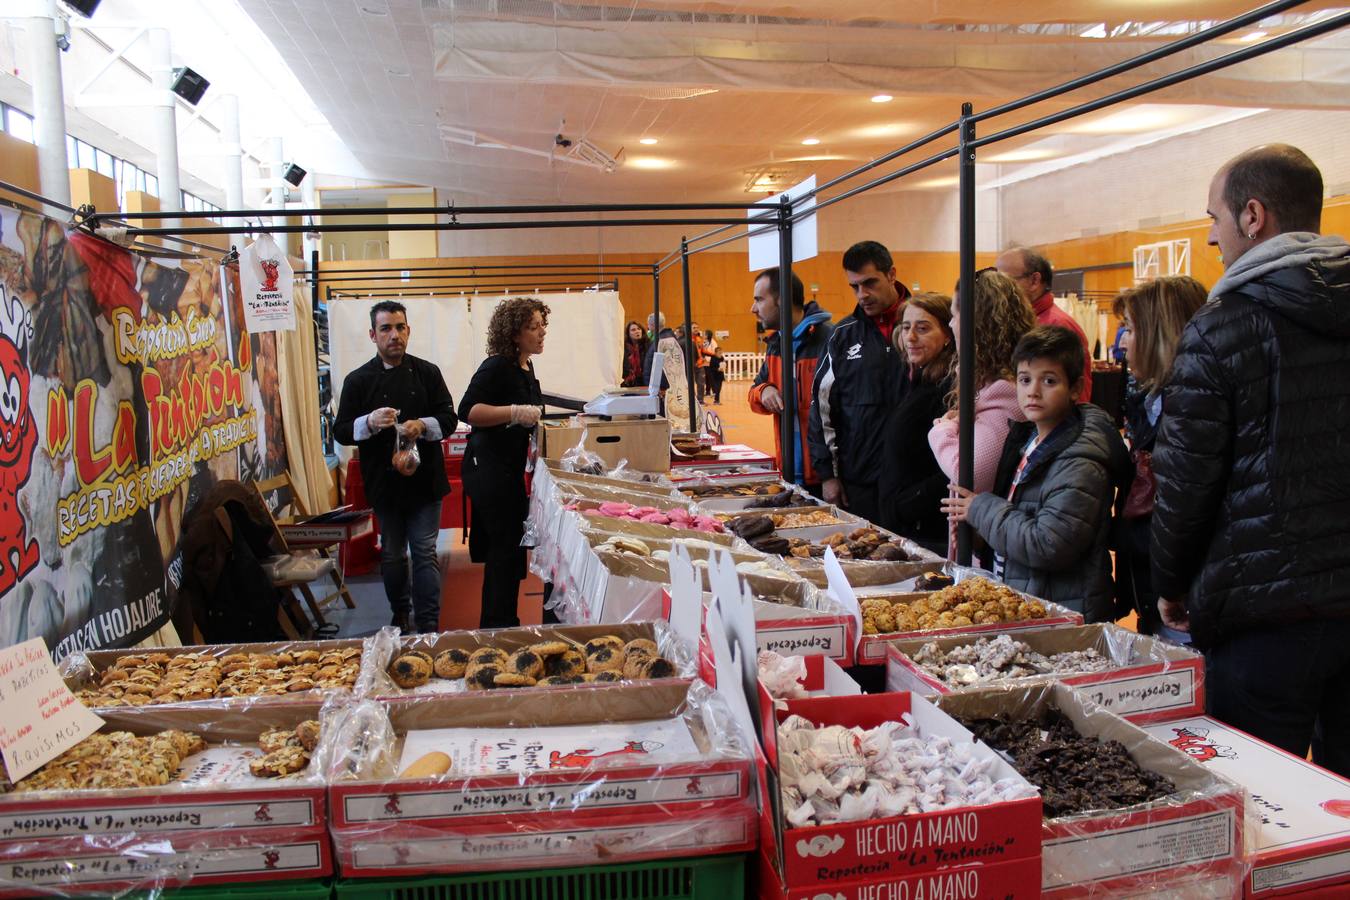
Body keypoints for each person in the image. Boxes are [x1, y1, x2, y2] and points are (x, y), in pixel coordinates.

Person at [1150, 144, 1350, 775]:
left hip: (1264, 614)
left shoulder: (1220, 328)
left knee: (1261, 795)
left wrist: (1171, 585)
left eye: (1214, 220)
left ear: (1254, 216)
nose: (1212, 235)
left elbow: (1186, 482)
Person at [943, 326, 1130, 620]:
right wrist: (980, 534)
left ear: (1075, 388)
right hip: (1031, 604)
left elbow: (1048, 544)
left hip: (1065, 616)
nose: (1033, 391)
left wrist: (980, 508)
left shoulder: (1081, 459)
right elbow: (1020, 523)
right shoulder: (1028, 440)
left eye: (1049, 380)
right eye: (1025, 379)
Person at [334, 300, 457, 634]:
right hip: (385, 485)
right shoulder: (358, 381)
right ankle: (400, 613)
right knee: (391, 555)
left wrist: (422, 424)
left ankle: (429, 621)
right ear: (373, 335)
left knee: (424, 552)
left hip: (425, 481)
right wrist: (369, 422)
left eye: (400, 327)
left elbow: (449, 418)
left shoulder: (428, 372)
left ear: (408, 331)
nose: (394, 335)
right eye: (386, 328)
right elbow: (341, 430)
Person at [1110, 276, 1207, 638]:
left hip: (1183, 600)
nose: (1123, 342)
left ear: (1158, 333)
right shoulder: (1150, 404)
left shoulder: (1191, 411)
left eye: (1130, 329)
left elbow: (1182, 513)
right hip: (1153, 589)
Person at [928, 269, 1036, 560]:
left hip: (992, 549)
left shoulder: (1005, 392)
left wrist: (940, 431)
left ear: (977, 323)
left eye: (954, 314)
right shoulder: (993, 384)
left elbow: (969, 473)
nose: (951, 323)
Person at [459, 297, 547, 629]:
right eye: (533, 326)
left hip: (508, 469)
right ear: (514, 333)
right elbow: (467, 411)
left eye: (542, 325)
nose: (541, 333)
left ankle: (504, 620)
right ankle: (497, 625)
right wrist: (512, 412)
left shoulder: (526, 365)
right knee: (504, 548)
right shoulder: (495, 366)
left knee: (511, 548)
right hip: (488, 468)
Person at [808, 240, 910, 522]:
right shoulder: (842, 336)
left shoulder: (925, 327)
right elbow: (821, 408)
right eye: (855, 287)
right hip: (861, 481)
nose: (862, 294)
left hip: (916, 482)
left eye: (870, 283)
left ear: (891, 274)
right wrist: (827, 476)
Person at [877, 294, 955, 555]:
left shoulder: (948, 390)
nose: (910, 337)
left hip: (927, 532)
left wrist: (906, 506)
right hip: (908, 525)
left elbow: (952, 468)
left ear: (948, 335)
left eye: (922, 328)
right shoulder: (920, 380)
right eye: (906, 327)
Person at [749, 268, 832, 492]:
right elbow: (754, 390)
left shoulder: (829, 341)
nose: (753, 308)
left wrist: (830, 476)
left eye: (759, 299)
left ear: (782, 300)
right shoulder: (776, 343)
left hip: (826, 478)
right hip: (790, 472)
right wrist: (764, 390)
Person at [996, 247, 1094, 401]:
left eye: (1005, 282)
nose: (997, 290)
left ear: (1034, 281)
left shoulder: (1059, 326)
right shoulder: (1014, 322)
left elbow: (1077, 399)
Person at [620, 320, 648, 387]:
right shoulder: (624, 348)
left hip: (643, 382)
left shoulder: (647, 346)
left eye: (639, 329)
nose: (637, 331)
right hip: (628, 383)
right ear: (628, 333)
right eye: (633, 330)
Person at [703, 330, 724, 404]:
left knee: (711, 377)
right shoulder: (705, 341)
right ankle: (708, 391)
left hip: (710, 361)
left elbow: (715, 352)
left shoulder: (713, 342)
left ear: (708, 335)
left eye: (705, 334)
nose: (703, 335)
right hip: (705, 361)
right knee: (707, 377)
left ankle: (715, 392)